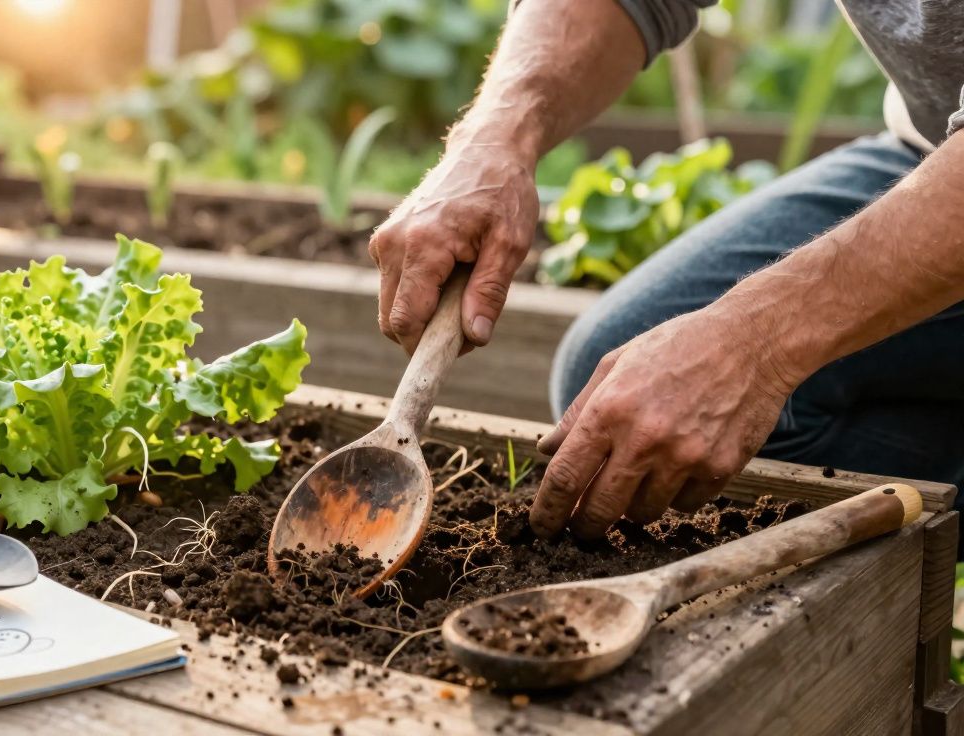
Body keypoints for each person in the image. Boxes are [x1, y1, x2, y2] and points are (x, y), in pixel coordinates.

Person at [368, 0, 964, 541]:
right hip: (932, 145)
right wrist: (494, 138)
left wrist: (755, 344)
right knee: (615, 384)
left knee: (696, 396)